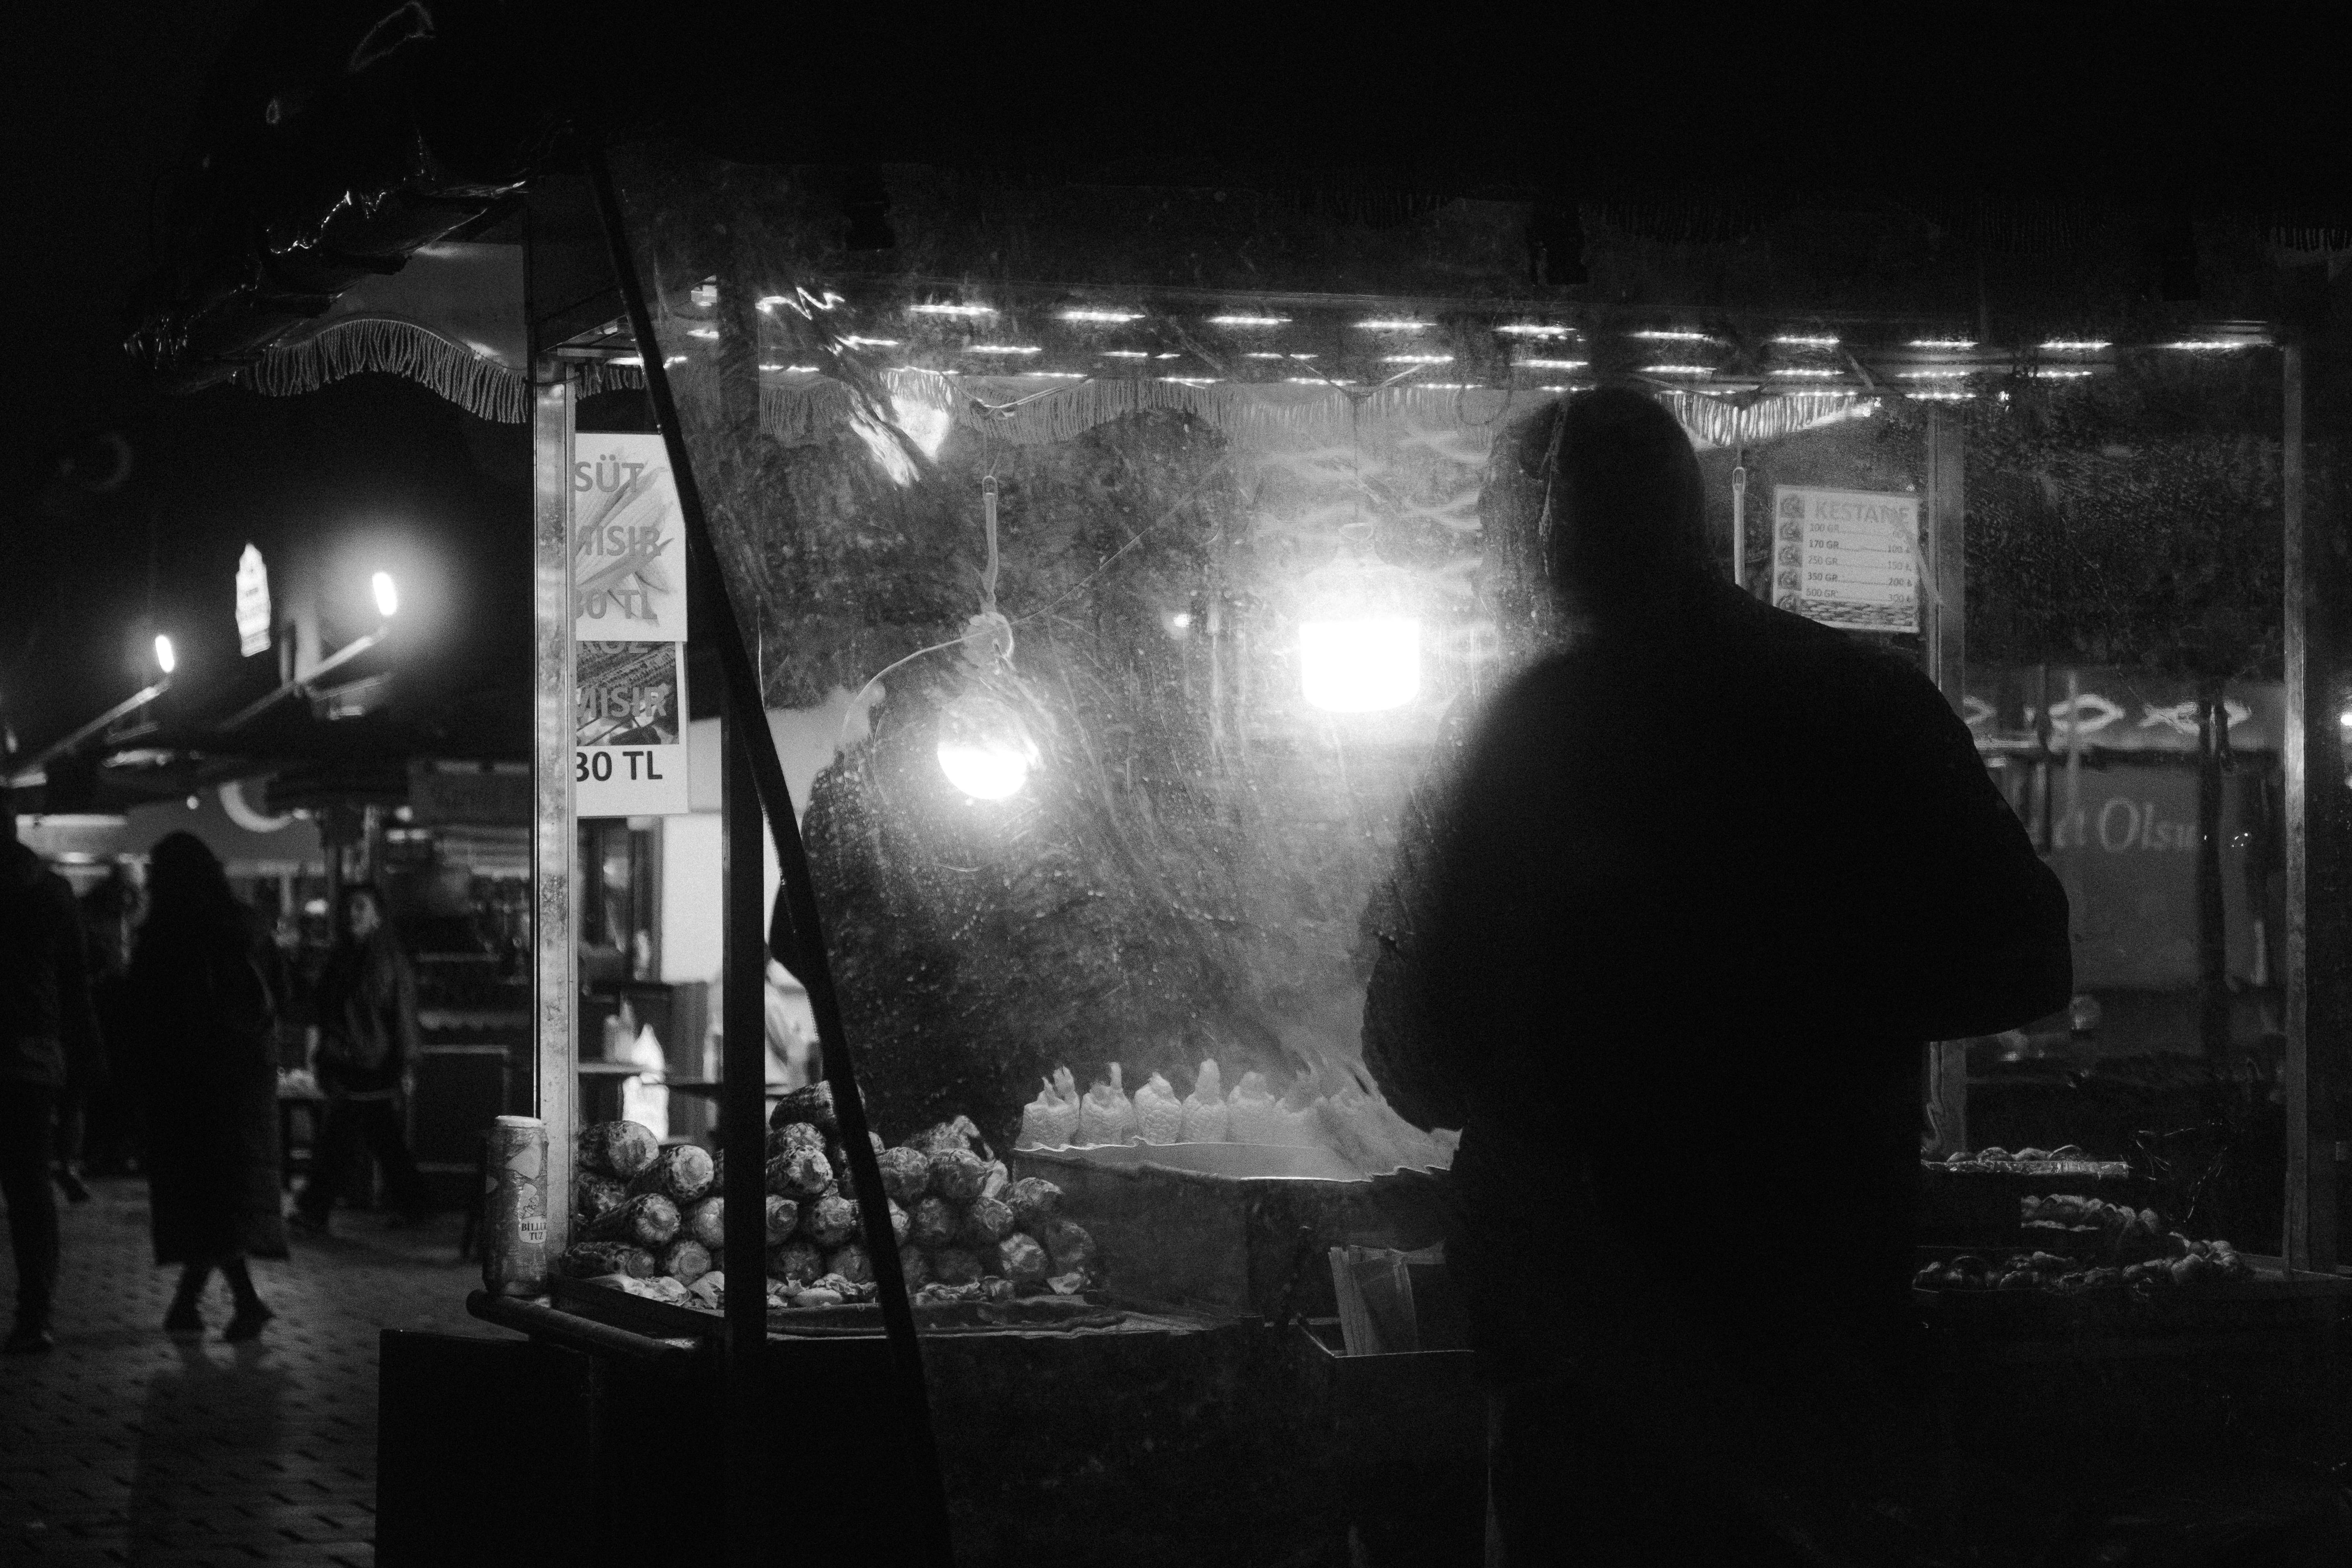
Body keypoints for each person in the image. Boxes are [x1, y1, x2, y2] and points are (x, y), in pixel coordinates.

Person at [1364, 389, 2071, 1566]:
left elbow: (1424, 1059)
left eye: (1504, 522)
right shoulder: (1857, 703)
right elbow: (2024, 954)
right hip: (1821, 1341)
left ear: (1541, 530)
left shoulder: (1538, 727)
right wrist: (1816, 1006)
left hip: (1596, 1374)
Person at [130, 831, 288, 1341]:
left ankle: (236, 1302)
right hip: (245, 1082)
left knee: (203, 1199)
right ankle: (199, 1303)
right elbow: (283, 995)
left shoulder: (169, 936)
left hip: (187, 1086)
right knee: (221, 1199)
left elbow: (151, 1016)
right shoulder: (247, 928)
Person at [0, 785, 107, 1353]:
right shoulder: (51, 893)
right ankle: (35, 1312)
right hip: (31, 1056)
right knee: (28, 1189)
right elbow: (75, 986)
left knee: (27, 1188)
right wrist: (87, 1065)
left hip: (26, 1050)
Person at [291, 883, 431, 1233]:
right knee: (375, 1138)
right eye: (349, 907)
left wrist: (406, 1063)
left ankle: (316, 1207)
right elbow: (326, 1009)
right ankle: (411, 1204)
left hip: (373, 1063)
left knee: (348, 1138)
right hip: (350, 1062)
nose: (351, 914)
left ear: (377, 916)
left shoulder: (387, 961)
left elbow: (401, 1014)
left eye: (360, 907)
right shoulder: (343, 959)